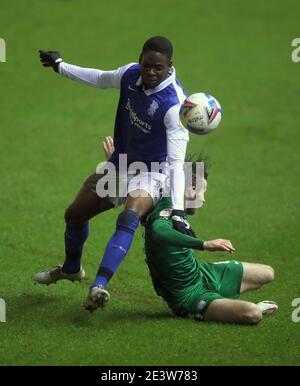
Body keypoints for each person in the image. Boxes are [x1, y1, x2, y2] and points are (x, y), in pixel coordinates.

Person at [34, 37, 195, 312]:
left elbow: (177, 163)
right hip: (120, 164)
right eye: (147, 65)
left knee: (129, 216)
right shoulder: (130, 73)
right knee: (74, 215)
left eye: (159, 67)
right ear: (140, 60)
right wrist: (60, 66)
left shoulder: (174, 106)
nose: (151, 72)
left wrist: (178, 211)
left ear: (170, 67)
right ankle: (72, 268)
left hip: (153, 173)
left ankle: (99, 286)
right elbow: (100, 78)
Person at [103, 137, 278, 324]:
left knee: (268, 273)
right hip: (188, 296)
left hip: (201, 274)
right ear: (191, 189)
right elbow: (159, 231)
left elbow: (138, 186)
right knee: (253, 313)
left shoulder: (170, 201)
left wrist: (118, 167)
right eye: (204, 191)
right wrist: (204, 244)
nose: (204, 199)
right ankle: (209, 307)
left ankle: (220, 302)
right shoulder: (167, 207)